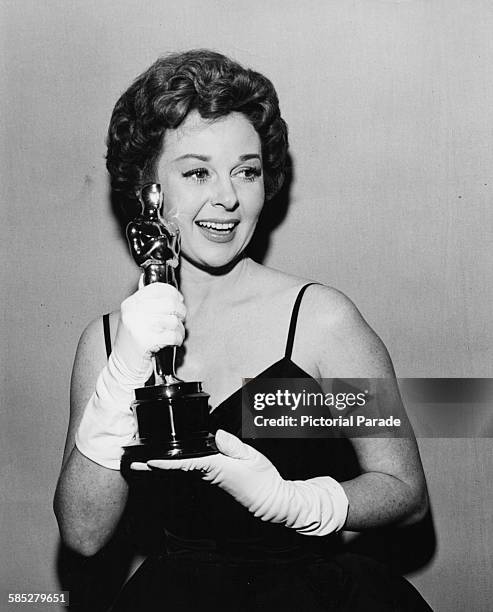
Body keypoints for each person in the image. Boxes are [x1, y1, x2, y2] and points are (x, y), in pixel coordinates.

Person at [54, 50, 432, 611]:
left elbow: (406, 494)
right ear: (146, 187)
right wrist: (124, 370)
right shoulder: (106, 343)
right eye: (196, 171)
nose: (227, 198)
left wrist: (296, 504)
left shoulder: (321, 320)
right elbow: (83, 534)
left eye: (246, 171)